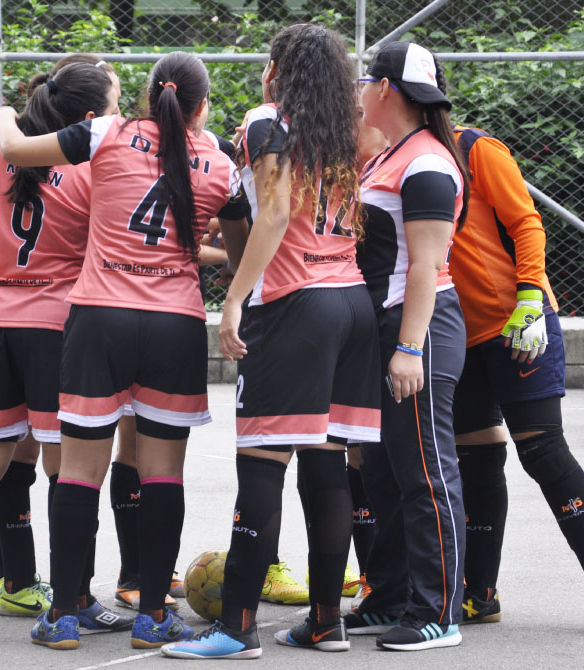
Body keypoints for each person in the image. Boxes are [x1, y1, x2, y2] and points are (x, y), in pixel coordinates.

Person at [0, 51, 249, 651]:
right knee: (163, 473)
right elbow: (240, 256)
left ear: (149, 95)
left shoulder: (109, 132)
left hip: (99, 318)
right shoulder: (220, 164)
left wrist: (4, 115)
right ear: (200, 106)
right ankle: (153, 615)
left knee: (79, 471)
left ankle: (64, 618)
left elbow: (16, 153)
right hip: (174, 324)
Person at [161, 24, 381, 660]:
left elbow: (277, 212)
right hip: (351, 305)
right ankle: (325, 621)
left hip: (295, 308)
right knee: (325, 462)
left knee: (261, 464)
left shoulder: (267, 121)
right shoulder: (353, 131)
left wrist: (233, 300)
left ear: (278, 70)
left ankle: (237, 627)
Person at [0, 62, 129, 638]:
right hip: (57, 326)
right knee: (67, 471)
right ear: (88, 118)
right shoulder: (91, 168)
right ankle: (72, 598)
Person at [446, 104, 584, 637]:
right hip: (459, 334)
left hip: (517, 324)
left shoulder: (474, 148)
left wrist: (530, 293)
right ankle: (480, 593)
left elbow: (525, 221)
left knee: (543, 450)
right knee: (477, 461)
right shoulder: (396, 157)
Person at [327, 42, 469, 652]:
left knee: (426, 472)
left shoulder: (429, 162)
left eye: (364, 79)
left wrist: (409, 348)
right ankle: (389, 597)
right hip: (385, 327)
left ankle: (439, 610)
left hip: (421, 326)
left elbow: (425, 266)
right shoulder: (387, 153)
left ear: (386, 88)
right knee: (382, 471)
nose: (357, 89)